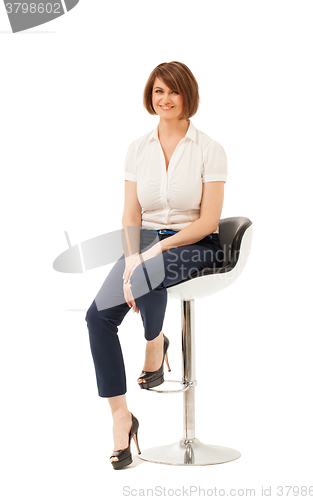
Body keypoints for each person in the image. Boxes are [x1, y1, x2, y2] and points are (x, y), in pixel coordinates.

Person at [85, 61, 228, 469]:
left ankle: (153, 344)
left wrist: (151, 255)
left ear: (189, 96)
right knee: (98, 318)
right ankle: (121, 418)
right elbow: (131, 214)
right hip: (144, 242)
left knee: (149, 275)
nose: (164, 99)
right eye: (158, 91)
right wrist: (134, 255)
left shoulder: (209, 148)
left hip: (195, 242)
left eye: (173, 91)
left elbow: (208, 221)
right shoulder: (137, 148)